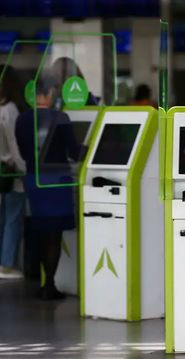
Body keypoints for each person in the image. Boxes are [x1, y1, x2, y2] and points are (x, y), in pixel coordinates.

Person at [15, 74, 81, 300]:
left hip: (35, 180)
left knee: (43, 232)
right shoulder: (60, 117)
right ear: (51, 92)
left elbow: (24, 152)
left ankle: (45, 284)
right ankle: (50, 285)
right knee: (54, 235)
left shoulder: (22, 119)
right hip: (57, 181)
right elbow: (74, 152)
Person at [0, 65, 27, 279]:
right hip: (10, 172)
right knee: (13, 217)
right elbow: (14, 143)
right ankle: (7, 264)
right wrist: (24, 168)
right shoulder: (10, 110)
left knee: (3, 217)